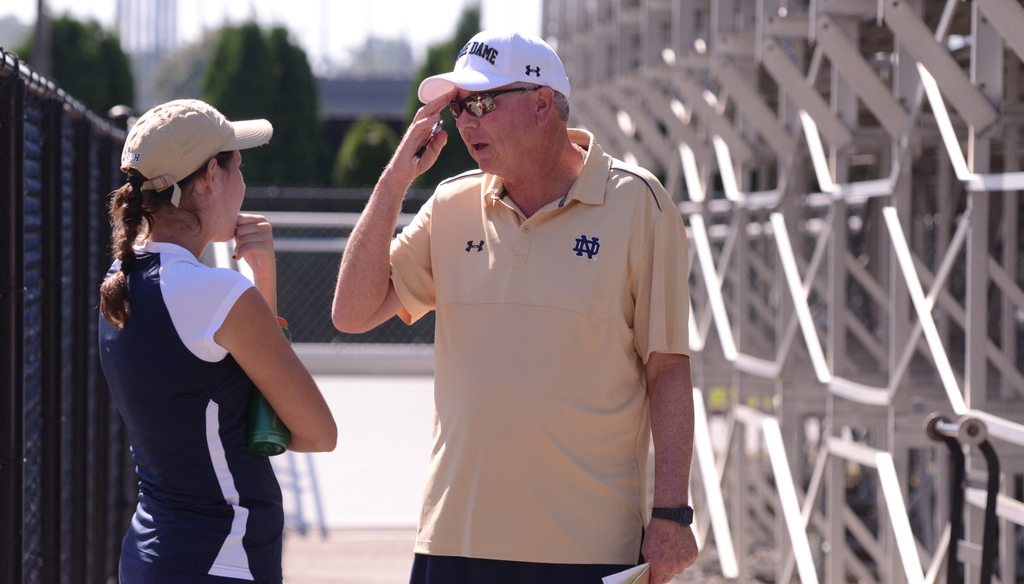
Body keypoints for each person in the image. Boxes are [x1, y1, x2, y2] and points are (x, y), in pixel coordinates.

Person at [332, 30, 699, 583]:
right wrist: (393, 181)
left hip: (588, 548)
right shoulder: (451, 202)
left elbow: (668, 370)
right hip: (455, 538)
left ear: (542, 105)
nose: (465, 122)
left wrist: (672, 513)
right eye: (458, 108)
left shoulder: (640, 205)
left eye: (481, 103)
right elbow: (352, 313)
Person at [98, 99, 337, 583]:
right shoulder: (219, 295)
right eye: (238, 168)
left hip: (150, 553)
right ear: (210, 176)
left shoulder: (119, 279)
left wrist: (259, 281)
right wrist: (258, 285)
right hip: (219, 561)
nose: (243, 186)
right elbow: (315, 433)